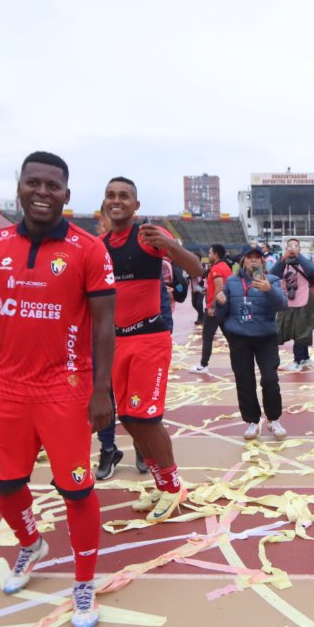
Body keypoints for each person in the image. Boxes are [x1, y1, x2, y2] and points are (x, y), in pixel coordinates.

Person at [0, 151, 114, 627]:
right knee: (5, 485)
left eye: (53, 186)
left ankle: (83, 579)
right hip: (8, 390)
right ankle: (31, 544)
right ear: (19, 187)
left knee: (76, 489)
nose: (42, 192)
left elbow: (105, 324)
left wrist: (101, 390)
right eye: (34, 183)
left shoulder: (88, 249)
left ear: (67, 194)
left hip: (65, 390)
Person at [99, 177, 205, 520]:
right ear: (104, 202)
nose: (117, 201)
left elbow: (195, 269)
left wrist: (170, 245)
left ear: (136, 205)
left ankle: (174, 488)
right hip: (116, 342)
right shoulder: (99, 246)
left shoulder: (147, 237)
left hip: (148, 340)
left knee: (146, 418)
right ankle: (162, 484)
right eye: (112, 195)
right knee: (129, 419)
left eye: (124, 196)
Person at [217, 245, 288, 440]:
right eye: (250, 258)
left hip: (266, 338)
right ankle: (252, 422)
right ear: (243, 261)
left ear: (263, 262)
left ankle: (273, 419)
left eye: (258, 257)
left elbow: (282, 304)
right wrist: (220, 302)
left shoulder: (272, 280)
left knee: (270, 379)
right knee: (244, 381)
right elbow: (222, 314)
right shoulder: (231, 282)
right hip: (240, 339)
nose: (254, 261)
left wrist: (268, 290)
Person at [271, 238, 314, 371]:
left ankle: (298, 359)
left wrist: (298, 255)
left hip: (304, 300)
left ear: (299, 248)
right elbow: (273, 274)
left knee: (301, 331)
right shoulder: (283, 263)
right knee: (287, 329)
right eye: (289, 247)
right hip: (288, 301)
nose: (292, 248)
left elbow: (310, 270)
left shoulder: (305, 261)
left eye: (295, 246)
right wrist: (283, 259)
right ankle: (305, 357)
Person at [189, 244, 231, 374]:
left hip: (215, 308)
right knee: (230, 336)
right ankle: (244, 359)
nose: (208, 255)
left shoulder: (216, 269)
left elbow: (219, 288)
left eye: (210, 253)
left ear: (216, 255)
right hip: (225, 307)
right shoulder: (226, 267)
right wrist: (207, 291)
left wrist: (212, 306)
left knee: (207, 336)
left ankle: (203, 365)